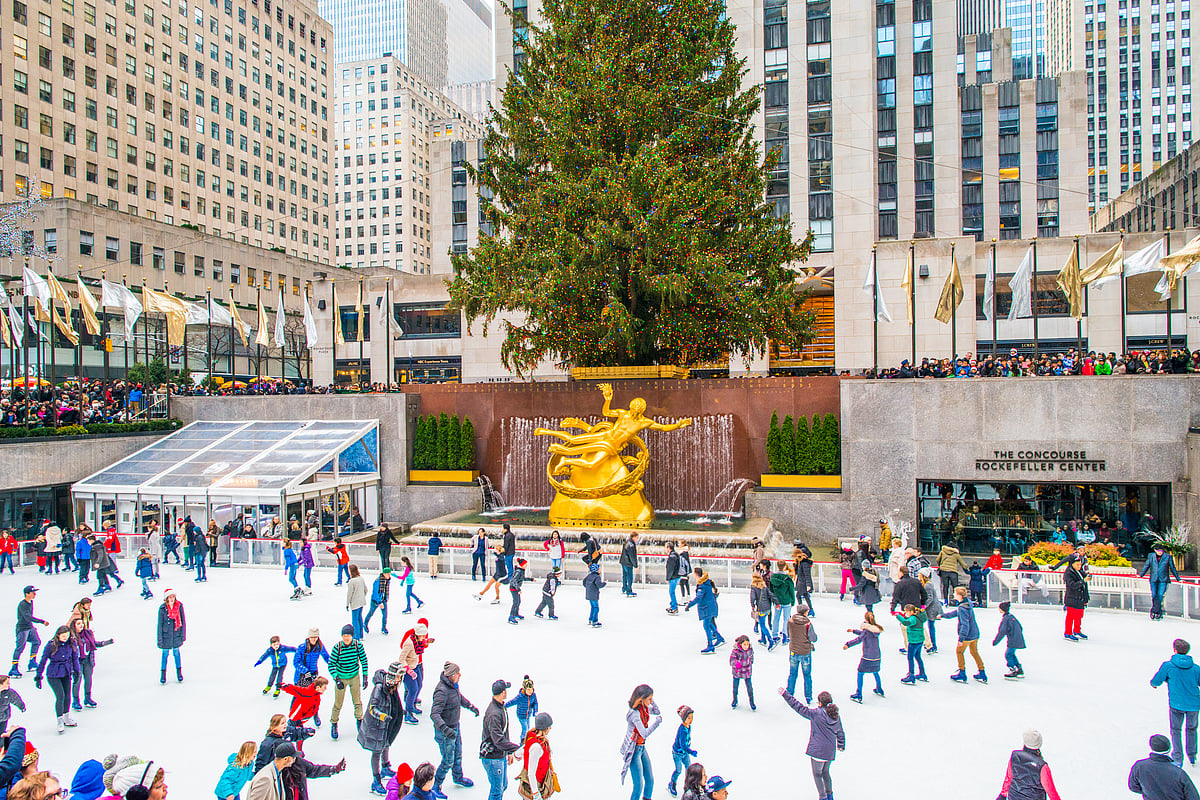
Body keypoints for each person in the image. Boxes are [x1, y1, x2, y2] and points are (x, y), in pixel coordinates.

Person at [779, 689, 844, 800]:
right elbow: (840, 731)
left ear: (820, 703)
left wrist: (785, 694)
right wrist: (841, 744)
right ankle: (830, 795)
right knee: (825, 772)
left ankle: (822, 797)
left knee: (817, 774)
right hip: (829, 752)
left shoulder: (816, 714)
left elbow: (798, 707)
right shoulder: (835, 716)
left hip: (818, 751)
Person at [430, 661, 478, 795]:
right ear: (451, 675)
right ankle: (436, 785)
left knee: (458, 754)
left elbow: (458, 698)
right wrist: (445, 730)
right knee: (448, 760)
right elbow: (434, 714)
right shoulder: (442, 691)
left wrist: (470, 706)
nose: (460, 675)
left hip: (454, 726)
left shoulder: (453, 686)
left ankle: (458, 777)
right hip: (445, 732)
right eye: (458, 673)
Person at [359, 663, 405, 795]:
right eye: (397, 677)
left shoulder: (392, 686)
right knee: (377, 751)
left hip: (387, 724)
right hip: (377, 726)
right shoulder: (379, 688)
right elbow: (372, 708)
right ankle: (376, 780)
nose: (399, 680)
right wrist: (383, 716)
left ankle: (385, 767)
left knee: (386, 744)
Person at [1152, 639, 1200, 767]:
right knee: (1191, 729)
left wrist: (1154, 684)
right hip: (1194, 704)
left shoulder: (1168, 666)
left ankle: (1178, 757)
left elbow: (1157, 680)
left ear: (1175, 650)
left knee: (1176, 730)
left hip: (1176, 704)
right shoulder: (1196, 668)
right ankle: (1192, 755)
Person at [34, 625, 80, 733]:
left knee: (68, 696)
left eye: (67, 635)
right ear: (58, 635)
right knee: (61, 696)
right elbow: (43, 660)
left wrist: (77, 672)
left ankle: (66, 717)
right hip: (54, 674)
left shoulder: (72, 643)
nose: (65, 637)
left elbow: (74, 658)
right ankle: (59, 720)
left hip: (66, 672)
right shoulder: (51, 645)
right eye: (63, 636)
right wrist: (38, 676)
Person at [481, 678, 520, 800]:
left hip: (500, 755)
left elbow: (504, 732)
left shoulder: (500, 707)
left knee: (503, 786)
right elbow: (498, 740)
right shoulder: (494, 714)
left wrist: (508, 752)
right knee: (497, 791)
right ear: (503, 693)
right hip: (492, 758)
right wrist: (519, 749)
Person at [620, 684, 661, 800]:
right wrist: (657, 723)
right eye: (649, 699)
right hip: (634, 752)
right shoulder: (635, 714)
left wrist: (650, 700)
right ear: (641, 699)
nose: (651, 701)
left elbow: (657, 711)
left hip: (641, 748)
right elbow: (644, 733)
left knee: (650, 780)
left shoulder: (644, 708)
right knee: (638, 785)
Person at [1128, 734, 1200, 800]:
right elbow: (1193, 796)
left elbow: (1133, 787)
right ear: (1169, 748)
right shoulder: (1178, 773)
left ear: (1152, 748)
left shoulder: (1140, 766)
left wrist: (1150, 792)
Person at [328, 624, 368, 741]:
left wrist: (365, 675)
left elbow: (363, 659)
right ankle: (334, 723)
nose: (346, 638)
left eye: (348, 636)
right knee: (338, 703)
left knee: (357, 701)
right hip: (341, 677)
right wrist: (337, 678)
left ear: (352, 636)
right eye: (344, 636)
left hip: (354, 676)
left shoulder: (357, 645)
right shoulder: (338, 648)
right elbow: (331, 665)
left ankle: (360, 722)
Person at [997, 729, 1062, 800]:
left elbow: (1009, 778)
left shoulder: (1015, 756)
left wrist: (1002, 795)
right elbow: (1051, 792)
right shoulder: (1042, 766)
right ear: (1039, 743)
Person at [943, 586, 986, 683]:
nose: (953, 594)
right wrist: (943, 616)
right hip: (975, 633)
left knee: (959, 652)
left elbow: (964, 624)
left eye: (955, 593)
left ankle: (962, 673)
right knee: (974, 652)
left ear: (959, 595)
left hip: (967, 636)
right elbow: (955, 613)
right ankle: (982, 672)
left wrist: (961, 639)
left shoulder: (962, 608)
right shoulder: (967, 603)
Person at [68, 616, 110, 710]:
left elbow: (93, 644)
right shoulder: (71, 636)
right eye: (78, 624)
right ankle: (76, 700)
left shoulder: (87, 633)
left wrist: (104, 643)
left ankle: (87, 698)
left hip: (87, 660)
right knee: (77, 681)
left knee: (88, 680)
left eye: (82, 623)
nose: (81, 625)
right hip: (77, 661)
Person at [844, 611, 884, 703]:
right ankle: (879, 688)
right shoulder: (875, 630)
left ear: (866, 619)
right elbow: (864, 633)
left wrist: (848, 645)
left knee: (860, 673)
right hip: (877, 655)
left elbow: (860, 639)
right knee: (875, 671)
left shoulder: (866, 630)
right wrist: (853, 631)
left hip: (867, 657)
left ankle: (858, 694)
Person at [10, 586, 46, 678]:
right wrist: (41, 621)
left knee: (37, 642)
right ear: (27, 594)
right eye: (33, 592)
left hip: (30, 627)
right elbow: (28, 617)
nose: (35, 594)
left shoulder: (30, 602)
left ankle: (32, 661)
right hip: (22, 629)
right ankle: (14, 668)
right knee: (20, 647)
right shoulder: (23, 604)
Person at [519, 712, 556, 800]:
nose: (550, 728)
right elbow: (531, 773)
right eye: (549, 726)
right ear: (545, 728)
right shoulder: (537, 747)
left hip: (537, 783)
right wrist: (536, 794)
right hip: (535, 785)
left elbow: (521, 751)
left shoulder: (533, 739)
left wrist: (516, 755)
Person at [685, 567, 723, 653]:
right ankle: (719, 637)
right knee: (709, 623)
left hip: (707, 607)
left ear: (696, 574)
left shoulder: (702, 585)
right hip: (710, 605)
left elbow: (699, 598)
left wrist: (689, 605)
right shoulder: (706, 581)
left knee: (706, 625)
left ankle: (710, 646)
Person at [785, 603, 817, 702]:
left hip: (793, 651)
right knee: (807, 675)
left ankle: (789, 693)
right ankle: (808, 696)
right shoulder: (807, 624)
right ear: (805, 612)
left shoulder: (790, 621)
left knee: (792, 673)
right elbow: (813, 638)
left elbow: (788, 634)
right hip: (805, 652)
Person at [1142, 543, 1181, 620]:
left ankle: (1155, 611)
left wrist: (1178, 578)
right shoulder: (1151, 556)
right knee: (1154, 595)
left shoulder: (1168, 557)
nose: (1160, 552)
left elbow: (1172, 568)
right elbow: (1147, 565)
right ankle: (1157, 611)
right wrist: (1141, 574)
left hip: (1163, 579)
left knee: (1160, 595)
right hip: (1154, 578)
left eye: (1161, 550)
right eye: (1158, 550)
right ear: (1155, 550)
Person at [157, 588, 186, 684]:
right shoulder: (162, 609)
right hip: (166, 635)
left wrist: (183, 634)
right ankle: (163, 675)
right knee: (165, 654)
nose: (172, 599)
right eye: (170, 597)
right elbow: (159, 625)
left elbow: (183, 620)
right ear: (166, 598)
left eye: (173, 597)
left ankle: (179, 673)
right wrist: (160, 639)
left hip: (176, 634)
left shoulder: (179, 606)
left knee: (176, 653)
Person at [992, 601, 1027, 680]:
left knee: (1008, 655)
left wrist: (995, 641)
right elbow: (1020, 627)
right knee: (1011, 654)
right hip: (1017, 638)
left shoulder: (1006, 619)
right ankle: (1019, 669)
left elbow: (1002, 632)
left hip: (1013, 639)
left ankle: (1013, 670)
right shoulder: (1011, 616)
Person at [668, 706, 696, 798]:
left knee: (689, 769)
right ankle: (672, 784)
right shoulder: (682, 730)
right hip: (678, 754)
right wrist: (691, 751)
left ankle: (688, 786)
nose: (691, 720)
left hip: (685, 753)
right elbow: (683, 745)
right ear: (684, 718)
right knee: (678, 770)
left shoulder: (689, 727)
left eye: (692, 717)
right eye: (688, 718)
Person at [897, 604, 929, 685]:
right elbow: (909, 620)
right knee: (918, 657)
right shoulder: (918, 616)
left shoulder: (913, 618)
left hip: (913, 641)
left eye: (906, 612)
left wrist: (898, 616)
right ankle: (922, 673)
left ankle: (911, 675)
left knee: (910, 657)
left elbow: (906, 622)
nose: (905, 613)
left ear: (911, 611)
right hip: (920, 640)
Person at [1063, 554, 1090, 641]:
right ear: (1072, 564)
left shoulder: (1080, 572)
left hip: (1080, 598)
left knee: (1079, 616)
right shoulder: (1069, 573)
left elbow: (1084, 587)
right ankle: (1068, 633)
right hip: (1072, 598)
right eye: (1077, 565)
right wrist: (1083, 581)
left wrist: (1086, 598)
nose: (1079, 566)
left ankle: (1077, 630)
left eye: (1080, 565)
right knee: (1070, 616)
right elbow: (1072, 585)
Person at [769, 562, 796, 645]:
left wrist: (774, 600)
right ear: (785, 567)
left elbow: (771, 589)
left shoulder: (773, 577)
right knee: (786, 619)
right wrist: (793, 601)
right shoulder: (787, 579)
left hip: (777, 601)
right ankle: (785, 636)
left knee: (776, 618)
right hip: (786, 601)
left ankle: (774, 635)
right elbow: (792, 591)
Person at [506, 675, 539, 740]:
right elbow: (512, 702)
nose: (530, 691)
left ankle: (526, 739)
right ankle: (523, 741)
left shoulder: (533, 695)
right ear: (524, 689)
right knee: (525, 729)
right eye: (528, 690)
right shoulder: (520, 697)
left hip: (528, 715)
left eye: (531, 689)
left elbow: (535, 703)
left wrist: (535, 709)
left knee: (528, 727)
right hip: (521, 715)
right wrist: (504, 706)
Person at [729, 635, 755, 710]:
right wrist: (736, 664)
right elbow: (731, 661)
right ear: (740, 644)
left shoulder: (750, 649)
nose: (746, 646)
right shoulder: (735, 651)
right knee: (735, 688)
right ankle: (735, 700)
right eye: (744, 644)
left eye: (747, 644)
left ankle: (752, 701)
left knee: (749, 688)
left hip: (747, 671)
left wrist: (750, 662)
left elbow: (751, 657)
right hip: (737, 672)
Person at [364, 568, 392, 636]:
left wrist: (387, 597)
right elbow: (375, 593)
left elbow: (386, 590)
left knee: (385, 615)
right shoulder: (377, 581)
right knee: (371, 613)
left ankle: (383, 627)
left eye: (390, 574)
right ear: (384, 574)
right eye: (388, 574)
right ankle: (365, 623)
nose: (389, 575)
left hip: (383, 600)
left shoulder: (387, 580)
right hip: (375, 601)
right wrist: (379, 602)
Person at [347, 565, 368, 639]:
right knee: (359, 618)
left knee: (355, 620)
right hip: (361, 601)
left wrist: (347, 604)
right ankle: (361, 635)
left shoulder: (352, 581)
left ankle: (356, 636)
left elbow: (349, 594)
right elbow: (366, 589)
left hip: (355, 603)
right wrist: (362, 596)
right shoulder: (361, 578)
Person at [793, 541, 814, 615]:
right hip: (801, 581)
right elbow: (797, 573)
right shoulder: (800, 563)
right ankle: (810, 610)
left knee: (798, 596)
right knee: (805, 596)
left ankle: (802, 610)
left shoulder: (804, 563)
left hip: (803, 582)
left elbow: (807, 575)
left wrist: (809, 585)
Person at [584, 561, 605, 627]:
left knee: (593, 607)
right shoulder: (597, 577)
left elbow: (584, 582)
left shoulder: (589, 576)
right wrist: (604, 583)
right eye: (599, 569)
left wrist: (588, 587)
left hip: (589, 593)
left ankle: (591, 619)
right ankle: (595, 621)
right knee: (596, 607)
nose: (599, 570)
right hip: (594, 594)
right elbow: (599, 585)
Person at [507, 558, 527, 625]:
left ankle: (516, 614)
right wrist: (518, 589)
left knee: (518, 601)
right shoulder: (518, 571)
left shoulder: (521, 570)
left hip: (516, 588)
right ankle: (511, 617)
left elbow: (522, 578)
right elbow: (513, 581)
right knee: (516, 602)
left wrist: (531, 579)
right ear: (522, 565)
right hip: (514, 588)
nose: (526, 566)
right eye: (525, 564)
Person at [620, 532, 639, 597]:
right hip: (628, 563)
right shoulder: (631, 545)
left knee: (625, 575)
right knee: (629, 577)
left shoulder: (626, 542)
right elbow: (632, 556)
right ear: (634, 537)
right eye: (637, 538)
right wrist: (636, 565)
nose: (637, 539)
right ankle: (629, 591)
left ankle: (624, 588)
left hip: (623, 562)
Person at [665, 542, 681, 615]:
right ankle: (672, 605)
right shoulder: (675, 554)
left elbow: (670, 569)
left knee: (671, 592)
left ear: (668, 548)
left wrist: (668, 578)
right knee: (672, 592)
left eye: (666, 548)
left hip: (673, 577)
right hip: (676, 576)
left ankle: (674, 608)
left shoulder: (672, 557)